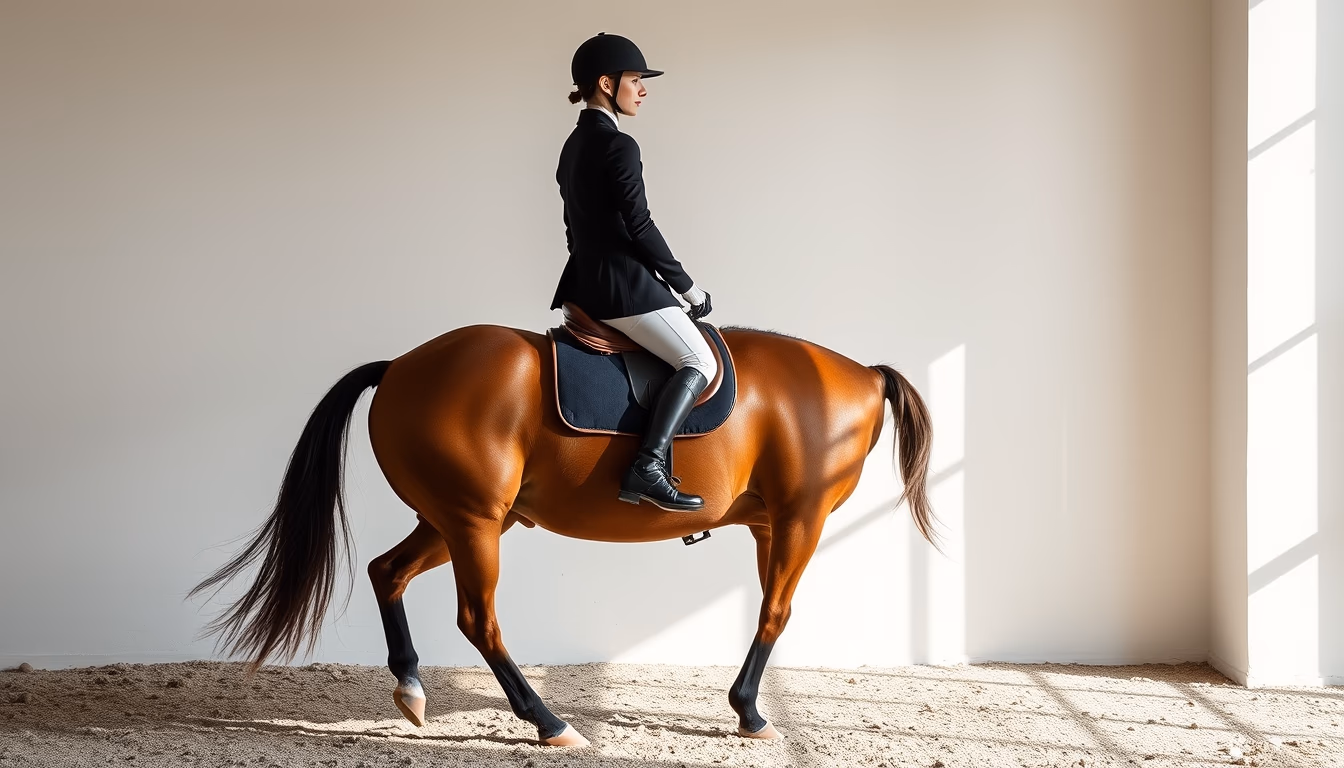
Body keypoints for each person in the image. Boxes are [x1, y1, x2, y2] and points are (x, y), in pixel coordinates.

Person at [551, 32, 717, 513]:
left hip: (586, 282)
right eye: (635, 80)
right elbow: (639, 225)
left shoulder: (572, 145)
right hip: (622, 289)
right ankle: (647, 466)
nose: (643, 89)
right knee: (700, 363)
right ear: (606, 83)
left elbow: (572, 228)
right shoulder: (618, 146)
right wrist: (687, 287)